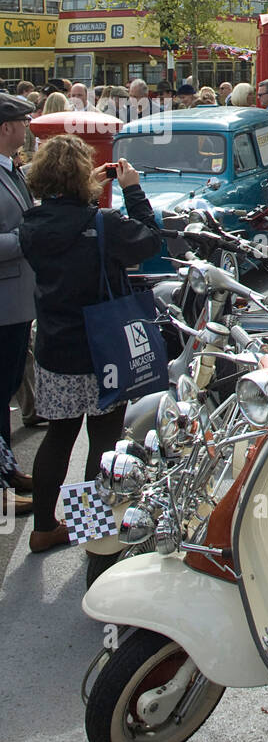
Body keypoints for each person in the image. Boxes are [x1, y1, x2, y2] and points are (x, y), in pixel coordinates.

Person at [17, 136, 162, 555]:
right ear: (83, 177)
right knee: (102, 440)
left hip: (54, 346)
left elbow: (65, 225)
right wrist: (132, 190)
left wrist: (85, 193)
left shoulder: (32, 224)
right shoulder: (103, 224)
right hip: (102, 350)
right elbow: (152, 241)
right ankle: (94, 533)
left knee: (59, 437)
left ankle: (44, 527)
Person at [0, 92, 36, 517]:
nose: (27, 129)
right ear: (6, 127)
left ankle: (7, 469)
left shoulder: (11, 168)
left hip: (15, 301)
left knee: (6, 388)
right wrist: (27, 239)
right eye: (22, 122)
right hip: (4, 300)